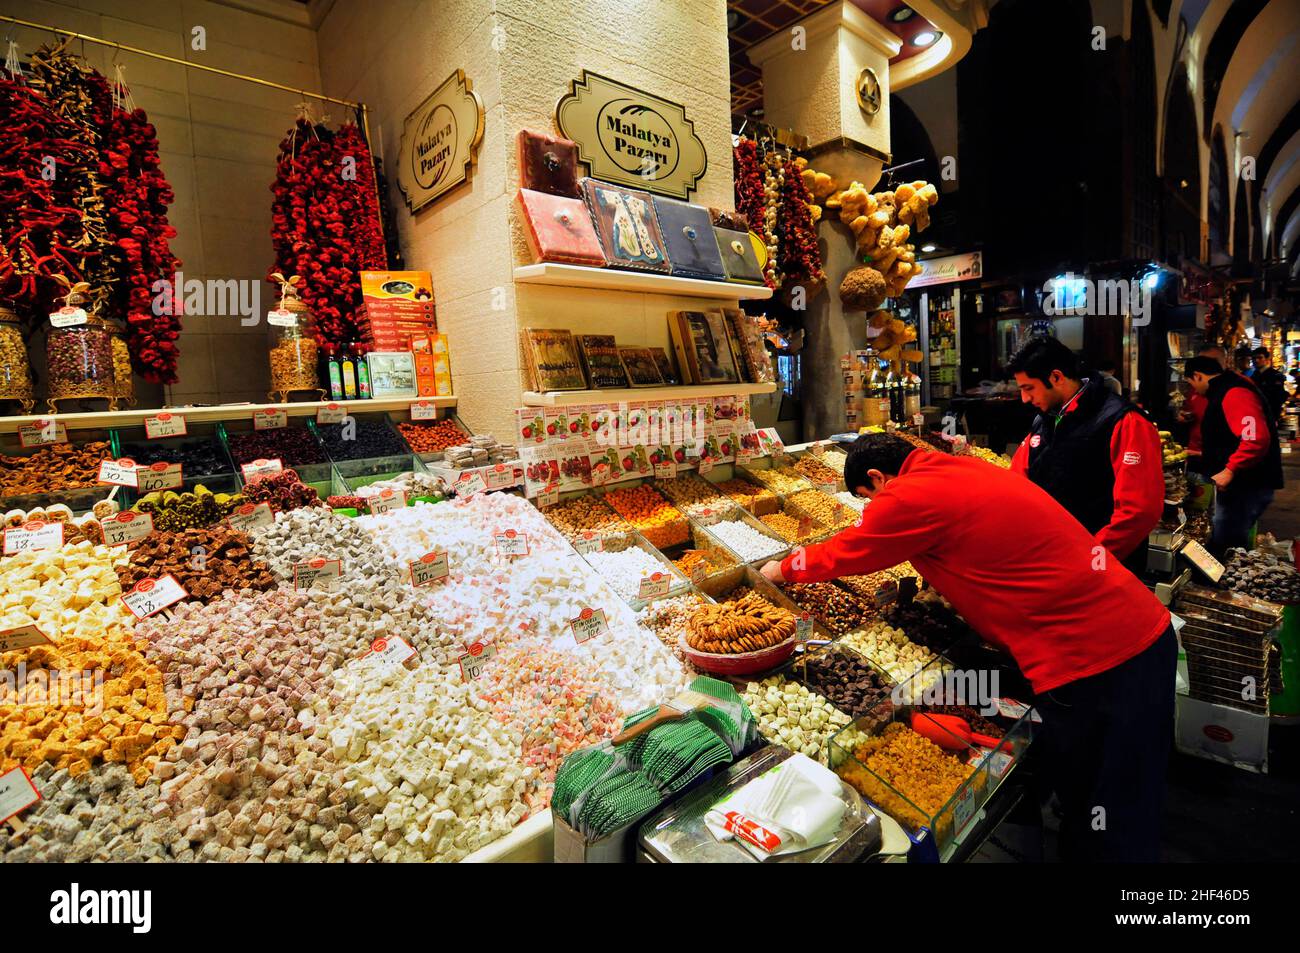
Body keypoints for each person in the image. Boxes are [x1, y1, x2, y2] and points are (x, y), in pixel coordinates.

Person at [759, 433, 1175, 862]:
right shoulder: (959, 468)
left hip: (1097, 657)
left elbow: (853, 550)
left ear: (877, 477)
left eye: (868, 498)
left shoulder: (906, 496)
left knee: (1109, 803)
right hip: (1132, 631)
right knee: (1121, 788)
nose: (872, 508)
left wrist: (786, 568)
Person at [1007, 337, 1163, 570]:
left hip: (1105, 569)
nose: (1025, 398)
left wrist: (1087, 562)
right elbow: (1017, 482)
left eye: (1028, 388)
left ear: (1056, 377)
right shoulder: (1044, 420)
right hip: (1055, 561)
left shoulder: (1125, 421)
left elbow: (1139, 512)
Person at [1183, 355, 1284, 553]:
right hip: (1243, 484)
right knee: (1227, 537)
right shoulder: (1228, 387)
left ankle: (1225, 581)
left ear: (1198, 376)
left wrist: (1230, 469)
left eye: (1191, 383)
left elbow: (1255, 439)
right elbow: (1231, 437)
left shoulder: (1234, 392)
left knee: (1228, 545)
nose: (1194, 390)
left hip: (1248, 485)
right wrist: (1203, 454)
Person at [1250, 347, 1287, 424]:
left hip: (1269, 417)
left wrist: (1274, 417)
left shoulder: (1275, 375)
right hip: (1255, 415)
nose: (1256, 360)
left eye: (1260, 357)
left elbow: (1278, 399)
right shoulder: (1253, 375)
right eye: (1254, 358)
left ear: (1267, 359)